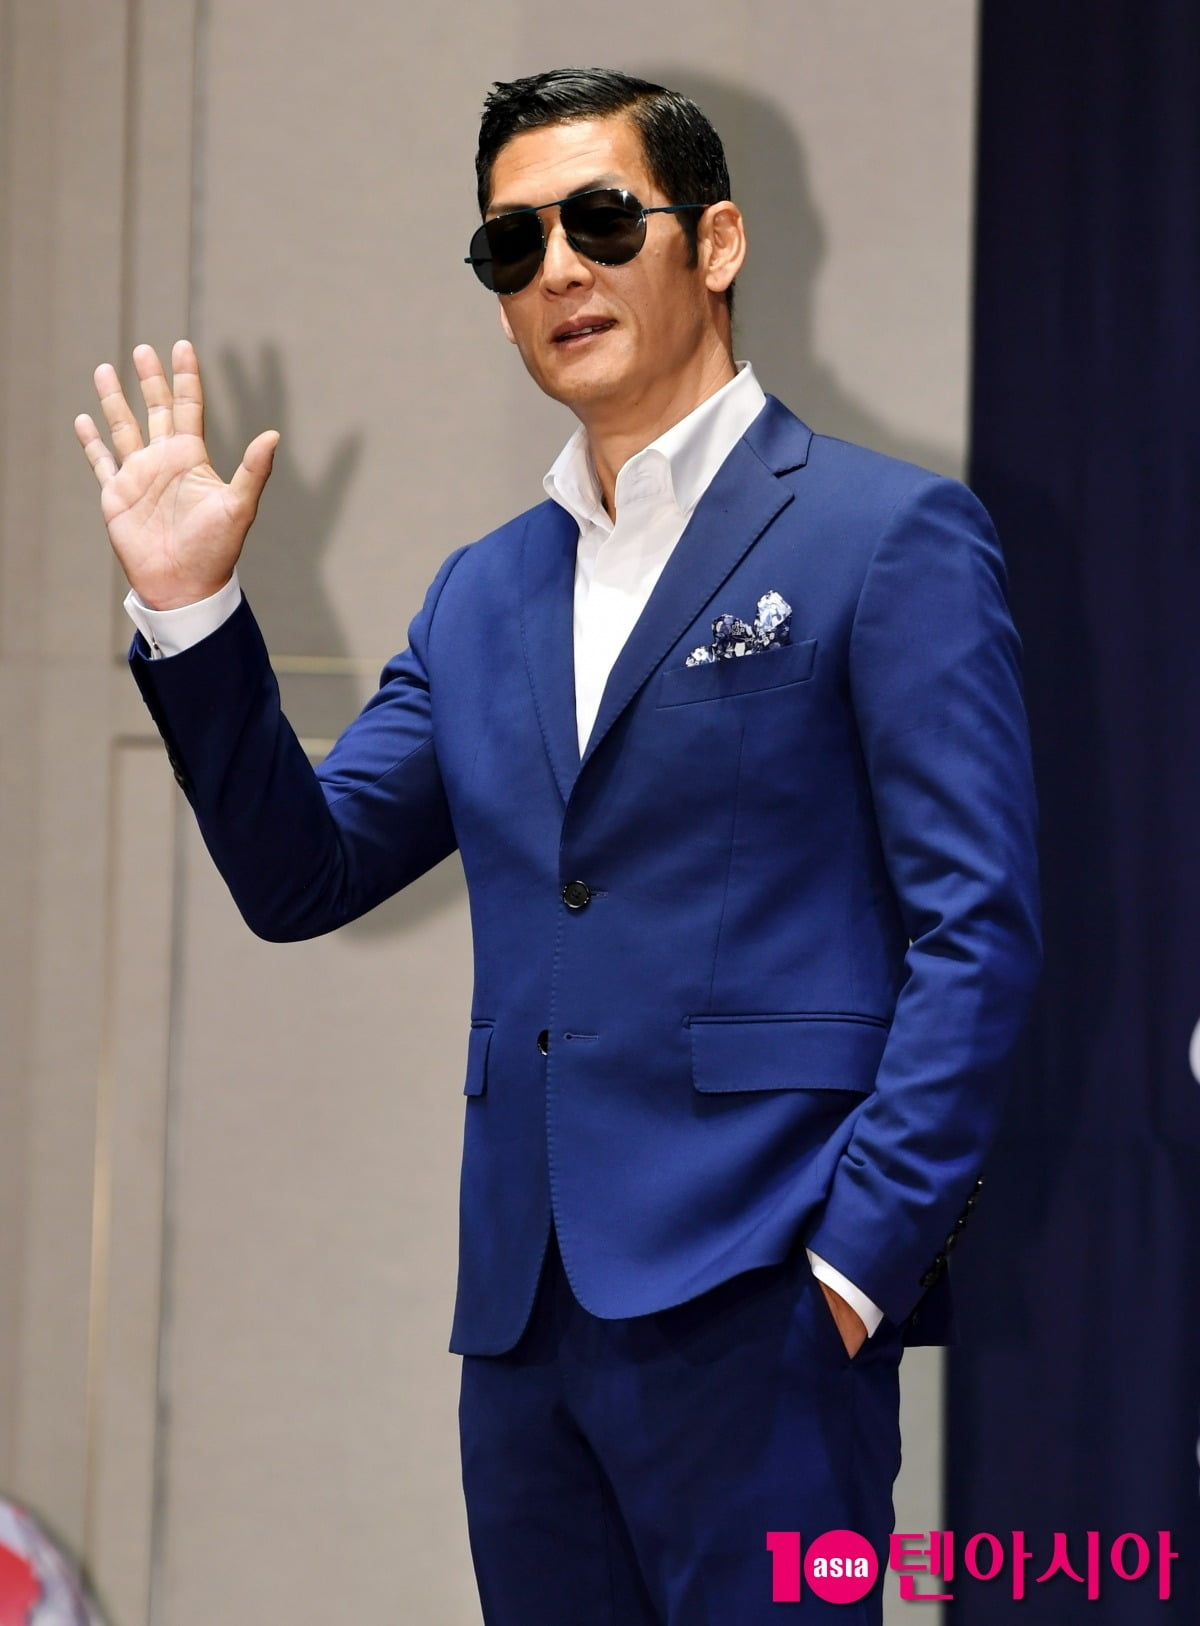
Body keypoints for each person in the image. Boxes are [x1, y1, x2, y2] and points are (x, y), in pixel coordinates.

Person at [75, 67, 1040, 1626]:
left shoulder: (885, 535)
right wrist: (190, 613)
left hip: (767, 1295)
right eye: (512, 244)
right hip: (524, 1325)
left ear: (716, 241)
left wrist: (857, 1268)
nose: (558, 269)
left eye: (600, 219)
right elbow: (304, 873)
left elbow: (976, 932)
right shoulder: (482, 596)